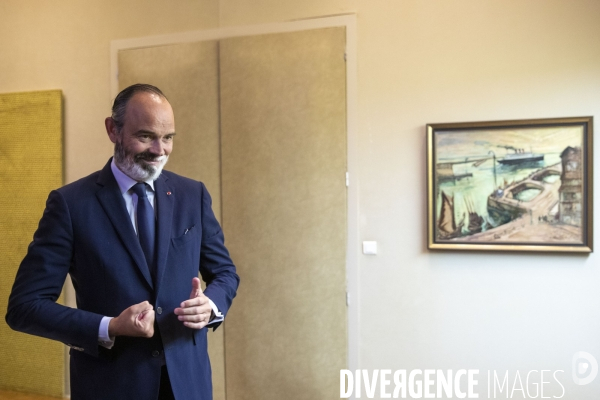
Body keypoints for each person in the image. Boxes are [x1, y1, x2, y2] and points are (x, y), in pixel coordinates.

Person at [6, 84, 239, 400]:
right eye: (146, 136)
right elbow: (25, 307)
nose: (159, 150)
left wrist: (210, 305)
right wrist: (110, 326)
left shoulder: (192, 195)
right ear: (112, 129)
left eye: (168, 137)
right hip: (109, 386)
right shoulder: (70, 205)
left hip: (188, 385)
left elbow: (225, 273)